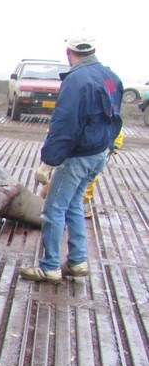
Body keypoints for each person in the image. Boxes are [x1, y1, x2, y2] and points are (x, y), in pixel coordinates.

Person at [19, 35, 122, 283]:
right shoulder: (110, 76)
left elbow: (65, 125)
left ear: (69, 52)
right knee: (74, 204)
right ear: (93, 50)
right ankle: (77, 261)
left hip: (78, 156)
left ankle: (50, 266)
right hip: (98, 153)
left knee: (53, 209)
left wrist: (49, 161)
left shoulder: (77, 80)